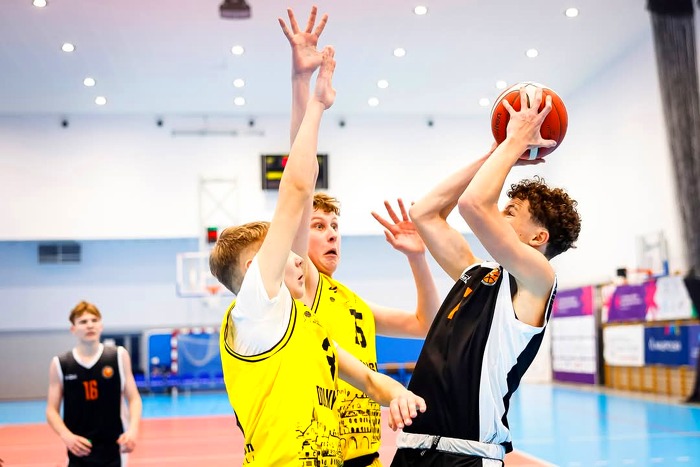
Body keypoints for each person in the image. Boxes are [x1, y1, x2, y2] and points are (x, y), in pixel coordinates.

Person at [210, 27, 425, 466]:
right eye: (282, 251)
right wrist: (313, 101)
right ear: (254, 268)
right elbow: (297, 191)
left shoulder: (305, 326)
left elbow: (369, 380)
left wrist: (401, 394)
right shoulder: (255, 308)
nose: (295, 257)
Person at [279, 7, 440, 465]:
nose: (331, 234)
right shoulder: (303, 287)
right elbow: (300, 186)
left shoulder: (352, 303)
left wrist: (418, 258)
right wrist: (302, 84)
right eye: (318, 226)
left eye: (335, 227)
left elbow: (426, 325)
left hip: (368, 456)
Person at [391, 87, 582, 466]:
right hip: (413, 446)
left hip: (469, 455)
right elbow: (424, 212)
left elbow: (474, 205)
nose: (499, 213)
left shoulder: (539, 279)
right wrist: (496, 151)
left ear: (538, 238)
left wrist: (514, 143)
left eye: (510, 212)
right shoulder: (478, 273)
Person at [46, 301, 142, 467]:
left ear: (101, 326)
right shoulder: (61, 363)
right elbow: (51, 410)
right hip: (78, 447)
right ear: (73, 329)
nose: (90, 325)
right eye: (83, 322)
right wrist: (66, 436)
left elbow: (134, 399)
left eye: (94, 320)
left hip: (114, 446)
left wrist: (133, 430)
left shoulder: (118, 356)